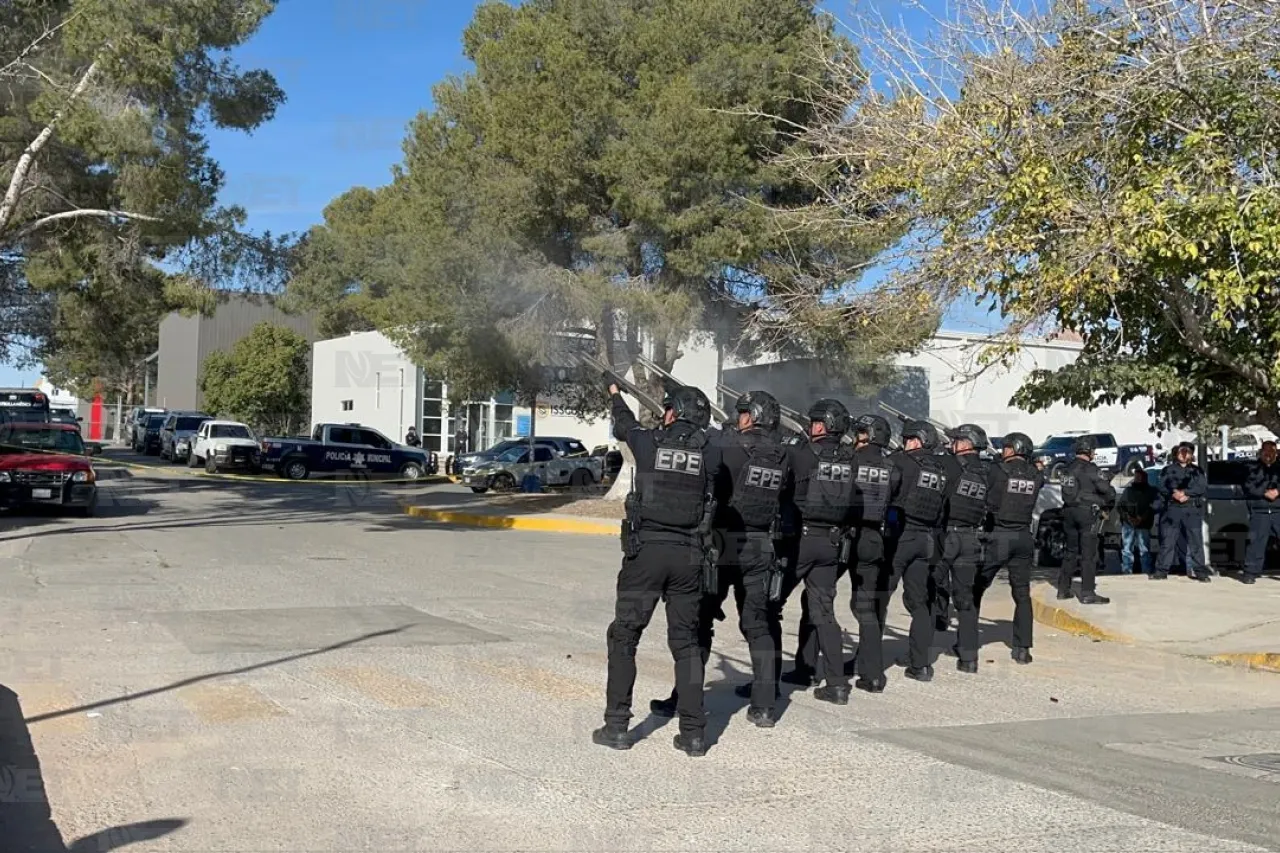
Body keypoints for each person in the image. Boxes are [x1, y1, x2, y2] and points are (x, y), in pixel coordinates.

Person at [593, 379, 722, 757]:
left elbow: (623, 423)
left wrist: (616, 395)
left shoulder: (650, 442)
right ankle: (695, 734)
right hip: (690, 557)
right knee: (686, 644)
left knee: (625, 636)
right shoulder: (713, 452)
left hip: (648, 554)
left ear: (672, 413)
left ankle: (617, 725)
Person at [649, 390, 792, 727]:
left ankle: (685, 698)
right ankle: (765, 706)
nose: (738, 418)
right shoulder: (782, 454)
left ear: (753, 416)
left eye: (743, 413)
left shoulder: (729, 444)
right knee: (758, 625)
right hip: (761, 545)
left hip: (723, 543)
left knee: (700, 623)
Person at [789, 398, 859, 704]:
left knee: (766, 607)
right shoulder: (849, 459)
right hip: (831, 544)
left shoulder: (802, 452)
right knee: (825, 614)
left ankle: (762, 688)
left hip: (802, 541)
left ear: (823, 425)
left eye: (815, 421)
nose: (810, 425)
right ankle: (837, 684)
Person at [888, 419, 950, 682]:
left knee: (878, 598)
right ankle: (920, 664)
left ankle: (867, 663)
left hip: (902, 536)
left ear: (918, 440)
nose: (905, 443)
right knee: (920, 604)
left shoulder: (901, 462)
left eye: (908, 438)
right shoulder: (941, 471)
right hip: (926, 540)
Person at [976, 432, 1043, 666]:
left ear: (1014, 449)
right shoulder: (1037, 475)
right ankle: (1023, 648)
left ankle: (967, 640)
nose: (1002, 452)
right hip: (1024, 536)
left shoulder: (999, 471)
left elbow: (990, 502)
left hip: (1001, 535)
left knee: (977, 586)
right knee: (1022, 594)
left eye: (1005, 448)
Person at [845, 413, 901, 693]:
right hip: (874, 539)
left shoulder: (851, 459)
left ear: (868, 435)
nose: (855, 437)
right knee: (867, 607)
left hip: (849, 535)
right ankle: (871, 671)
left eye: (860, 432)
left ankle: (813, 667)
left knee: (819, 599)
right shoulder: (892, 466)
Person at [939, 424, 992, 674]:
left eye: (956, 440)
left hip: (946, 536)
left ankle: (919, 655)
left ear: (966, 443)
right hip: (971, 539)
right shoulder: (987, 471)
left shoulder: (950, 465)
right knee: (965, 600)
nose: (952, 444)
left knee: (928, 593)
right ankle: (969, 657)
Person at [1058, 435, 1116, 603]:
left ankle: (1063, 589)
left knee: (1070, 552)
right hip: (1087, 514)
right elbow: (1107, 491)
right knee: (1088, 554)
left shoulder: (1066, 468)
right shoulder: (1091, 469)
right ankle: (1088, 593)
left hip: (1068, 512)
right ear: (1090, 451)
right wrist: (1107, 504)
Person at [1154, 442, 1210, 582]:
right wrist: (1173, 493)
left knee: (1195, 541)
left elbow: (1201, 487)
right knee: (1168, 541)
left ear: (1191, 455)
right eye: (1181, 452)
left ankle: (1200, 572)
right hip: (1173, 509)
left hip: (1191, 508)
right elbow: (1161, 485)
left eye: (1187, 452)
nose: (1184, 455)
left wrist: (1186, 493)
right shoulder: (1168, 470)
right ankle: (1161, 571)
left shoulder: (1197, 471)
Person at [1242, 440, 1280, 584]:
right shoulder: (1251, 468)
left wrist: (1277, 491)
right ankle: (1250, 573)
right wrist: (1264, 492)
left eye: (1272, 451)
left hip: (1278, 511)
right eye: (1266, 451)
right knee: (1256, 542)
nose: (1269, 454)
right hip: (1260, 511)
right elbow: (1248, 486)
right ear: (1261, 452)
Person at [1117, 468, 1157, 575]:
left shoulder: (1151, 491)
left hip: (1143, 524)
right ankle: (1126, 571)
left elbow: (1152, 507)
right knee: (1126, 549)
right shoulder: (1128, 490)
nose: (1137, 478)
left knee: (1144, 549)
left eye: (1139, 477)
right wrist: (1128, 518)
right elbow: (1120, 506)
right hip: (1128, 523)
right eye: (1136, 477)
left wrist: (1141, 518)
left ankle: (1146, 571)